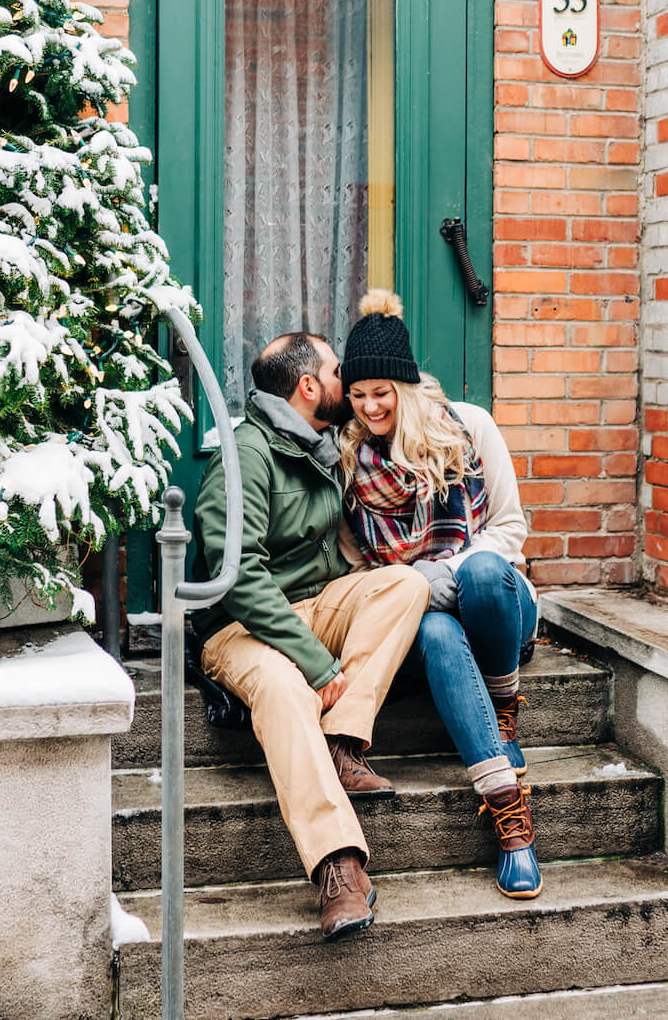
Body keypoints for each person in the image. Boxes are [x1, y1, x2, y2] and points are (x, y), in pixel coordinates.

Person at [191, 331, 428, 940]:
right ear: (308, 387)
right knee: (284, 687)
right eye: (335, 370)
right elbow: (236, 575)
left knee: (402, 586)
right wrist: (319, 667)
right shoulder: (248, 453)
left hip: (310, 606)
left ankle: (344, 743)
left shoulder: (320, 446)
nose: (346, 382)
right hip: (239, 628)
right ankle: (338, 867)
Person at [335, 290, 543, 899]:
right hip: (423, 618)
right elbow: (357, 567)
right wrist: (415, 588)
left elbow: (509, 530)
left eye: (382, 392)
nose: (370, 406)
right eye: (357, 394)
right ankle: (511, 818)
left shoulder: (468, 427)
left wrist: (441, 573)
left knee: (478, 573)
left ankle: (503, 703)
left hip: (496, 600)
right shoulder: (351, 463)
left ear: (408, 386)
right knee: (430, 626)